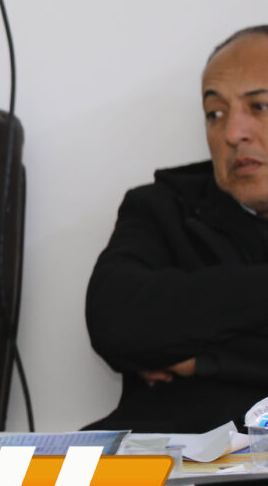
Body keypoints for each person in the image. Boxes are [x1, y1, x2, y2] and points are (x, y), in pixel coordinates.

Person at [86, 25, 268, 433]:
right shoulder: (163, 207)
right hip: (167, 446)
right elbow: (115, 322)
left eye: (259, 106)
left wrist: (202, 361)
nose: (232, 133)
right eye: (215, 113)